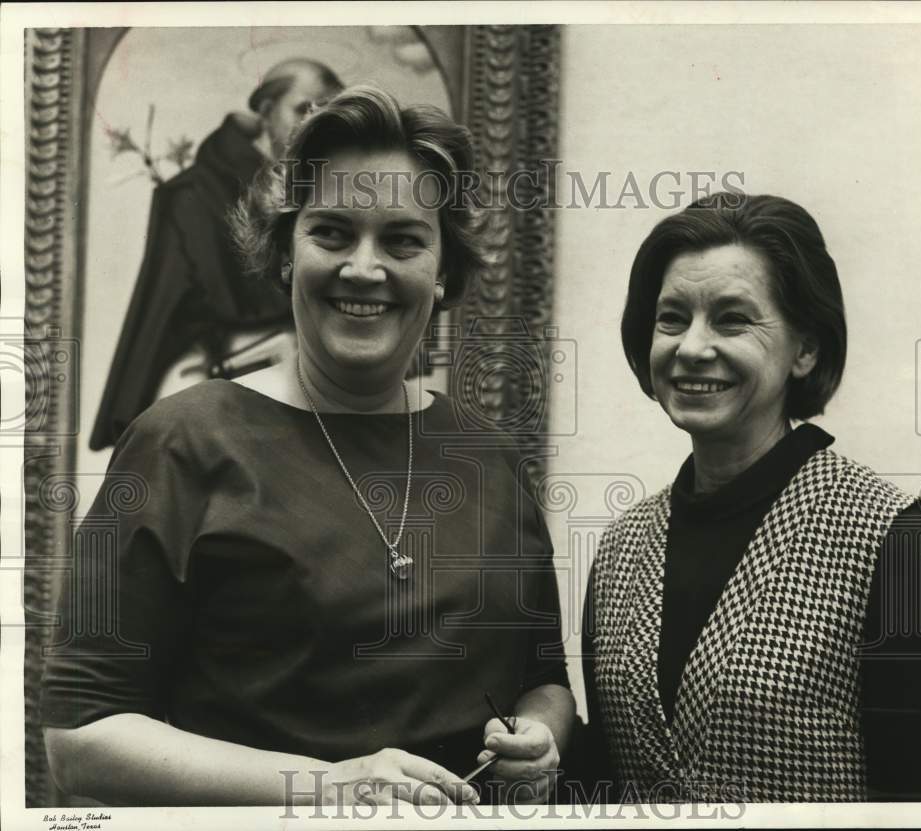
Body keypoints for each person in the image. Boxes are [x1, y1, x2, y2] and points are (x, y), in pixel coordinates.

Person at [44, 85, 575, 808]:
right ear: (285, 252)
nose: (364, 267)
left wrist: (541, 739)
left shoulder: (490, 457)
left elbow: (542, 680)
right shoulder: (175, 442)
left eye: (403, 239)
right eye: (331, 232)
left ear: (444, 269)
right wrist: (323, 786)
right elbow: (80, 738)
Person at [577, 193, 921, 803]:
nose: (691, 347)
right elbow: (610, 779)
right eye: (672, 318)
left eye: (732, 319)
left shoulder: (895, 540)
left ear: (805, 349)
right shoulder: (620, 548)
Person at [89, 58, 343, 451]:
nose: (314, 125)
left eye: (326, 115)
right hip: (216, 389)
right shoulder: (193, 195)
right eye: (303, 109)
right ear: (264, 110)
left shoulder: (315, 194)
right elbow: (165, 313)